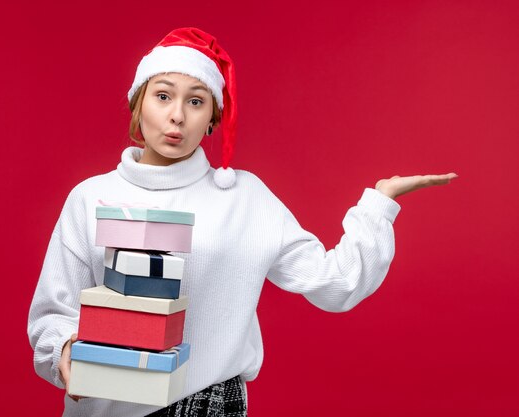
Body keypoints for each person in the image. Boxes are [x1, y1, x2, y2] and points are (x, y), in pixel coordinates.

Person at [27, 27, 457, 417]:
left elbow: (336, 283)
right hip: (105, 409)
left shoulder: (245, 198)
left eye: (196, 101)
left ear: (213, 118)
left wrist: (378, 205)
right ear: (137, 103)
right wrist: (63, 349)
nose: (177, 115)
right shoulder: (90, 198)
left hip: (210, 405)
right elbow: (53, 313)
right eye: (162, 96)